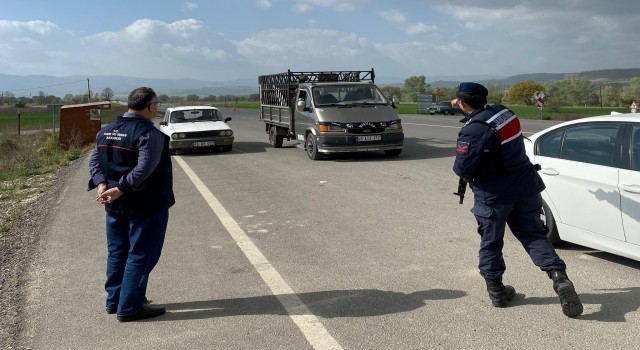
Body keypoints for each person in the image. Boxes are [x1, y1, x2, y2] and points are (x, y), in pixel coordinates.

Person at [451, 82, 583, 318]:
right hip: (525, 187)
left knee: (491, 242)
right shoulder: (505, 113)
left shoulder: (474, 129)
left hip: (494, 195)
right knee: (534, 235)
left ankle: (497, 292)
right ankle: (559, 278)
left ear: (462, 102)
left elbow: (462, 167)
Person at [88, 87, 175, 322]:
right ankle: (130, 306)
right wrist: (122, 188)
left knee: (118, 252)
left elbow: (95, 159)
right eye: (156, 103)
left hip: (114, 204)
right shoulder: (149, 134)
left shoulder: (106, 131)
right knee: (142, 254)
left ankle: (115, 300)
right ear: (150, 106)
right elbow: (145, 168)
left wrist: (102, 184)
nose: (157, 106)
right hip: (145, 205)